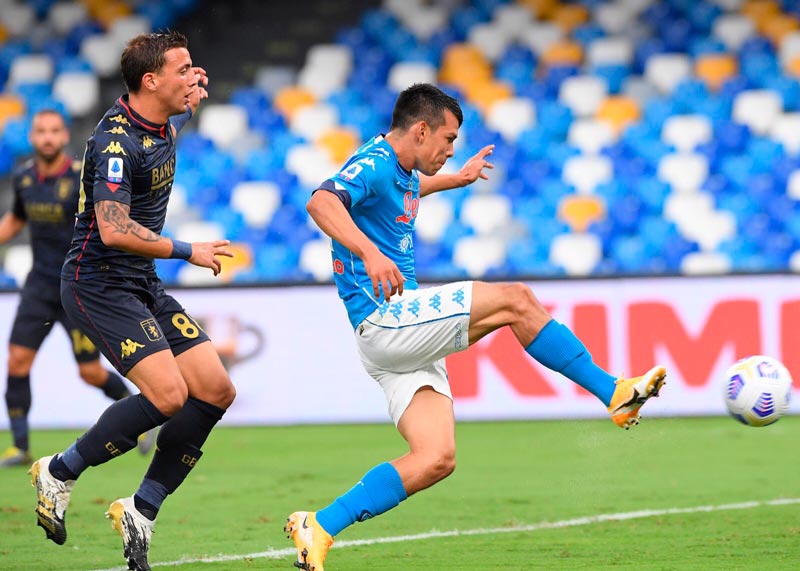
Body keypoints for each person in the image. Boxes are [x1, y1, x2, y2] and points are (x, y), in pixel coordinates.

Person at [285, 83, 668, 571]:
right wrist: (370, 252)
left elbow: (402, 192)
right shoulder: (375, 161)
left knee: (435, 458)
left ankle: (318, 526)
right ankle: (613, 391)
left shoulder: (398, 171)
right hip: (386, 319)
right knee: (517, 300)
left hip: (393, 339)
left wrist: (454, 180)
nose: (450, 149)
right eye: (447, 139)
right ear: (420, 130)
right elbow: (321, 201)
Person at [29, 31, 236, 571]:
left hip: (140, 279)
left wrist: (192, 95)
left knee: (215, 389)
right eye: (185, 68)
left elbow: (181, 112)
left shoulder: (164, 118)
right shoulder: (116, 143)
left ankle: (140, 511)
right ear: (151, 81)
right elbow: (114, 228)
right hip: (96, 282)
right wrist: (187, 249)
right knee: (168, 396)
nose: (196, 75)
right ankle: (60, 469)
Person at [0, 109, 153, 469]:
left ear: (65, 136)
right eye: (41, 131)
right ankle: (20, 446)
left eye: (54, 130)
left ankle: (143, 416)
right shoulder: (23, 179)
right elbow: (15, 221)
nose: (48, 137)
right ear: (33, 137)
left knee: (90, 373)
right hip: (38, 287)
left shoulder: (82, 177)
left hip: (78, 287)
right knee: (17, 361)